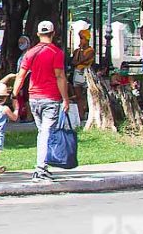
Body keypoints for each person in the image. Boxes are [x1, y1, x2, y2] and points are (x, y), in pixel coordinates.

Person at [12, 20, 70, 182]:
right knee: (46, 133)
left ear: (38, 34)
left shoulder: (30, 53)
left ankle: (42, 165)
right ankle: (40, 169)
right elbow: (60, 76)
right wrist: (65, 98)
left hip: (34, 98)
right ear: (53, 33)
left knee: (42, 132)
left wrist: (15, 94)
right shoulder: (56, 53)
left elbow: (21, 75)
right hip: (51, 98)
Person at [71, 28, 95, 120]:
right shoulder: (77, 51)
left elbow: (82, 60)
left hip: (85, 74)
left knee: (87, 95)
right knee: (78, 96)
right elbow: (74, 61)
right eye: (80, 38)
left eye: (82, 38)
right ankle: (80, 114)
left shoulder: (90, 51)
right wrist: (79, 50)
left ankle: (85, 112)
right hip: (77, 74)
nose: (81, 40)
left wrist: (80, 52)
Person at [15, 36, 32, 122]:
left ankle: (29, 117)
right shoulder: (22, 54)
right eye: (19, 43)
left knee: (26, 97)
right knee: (22, 98)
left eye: (22, 42)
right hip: (21, 77)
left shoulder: (29, 54)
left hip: (27, 77)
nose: (20, 45)